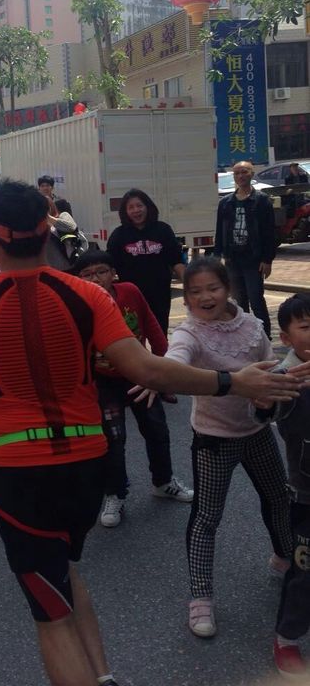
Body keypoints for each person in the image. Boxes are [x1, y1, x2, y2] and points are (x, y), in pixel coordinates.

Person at [0, 180, 305, 686]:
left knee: (49, 615)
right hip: (87, 468)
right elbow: (149, 370)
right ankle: (102, 676)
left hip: (21, 476)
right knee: (66, 572)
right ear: (48, 228)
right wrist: (233, 380)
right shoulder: (87, 295)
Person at [161, 256, 294, 639]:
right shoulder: (189, 333)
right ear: (185, 298)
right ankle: (200, 597)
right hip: (213, 440)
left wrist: (276, 392)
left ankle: (286, 558)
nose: (205, 297)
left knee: (278, 497)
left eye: (213, 288)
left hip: (256, 433)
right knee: (207, 518)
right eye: (195, 291)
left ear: (229, 288)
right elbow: (175, 361)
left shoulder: (252, 326)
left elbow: (271, 369)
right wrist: (160, 374)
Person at [73, 250, 192, 528]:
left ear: (113, 273)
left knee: (157, 429)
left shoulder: (130, 292)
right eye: (87, 275)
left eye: (101, 271)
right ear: (78, 279)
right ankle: (115, 493)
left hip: (139, 373)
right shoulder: (77, 303)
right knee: (113, 440)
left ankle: (163, 481)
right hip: (102, 381)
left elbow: (151, 326)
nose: (96, 279)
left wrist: (165, 371)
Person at [254, 294, 310, 679]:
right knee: (305, 571)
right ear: (287, 338)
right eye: (306, 327)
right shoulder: (286, 376)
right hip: (306, 492)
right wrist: (261, 394)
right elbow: (262, 409)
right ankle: (287, 638)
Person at [106, 188, 185, 335]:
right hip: (131, 296)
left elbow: (176, 260)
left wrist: (189, 286)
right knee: (135, 336)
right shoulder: (119, 234)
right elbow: (109, 265)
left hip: (160, 292)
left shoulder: (163, 230)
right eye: (131, 207)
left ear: (148, 207)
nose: (136, 210)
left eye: (139, 205)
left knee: (160, 334)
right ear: (125, 211)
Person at [214, 161, 276, 338]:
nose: (240, 176)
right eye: (237, 173)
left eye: (244, 172)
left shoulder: (261, 201)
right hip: (233, 260)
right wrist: (217, 257)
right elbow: (220, 231)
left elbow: (269, 232)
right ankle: (245, 337)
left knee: (256, 300)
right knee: (240, 303)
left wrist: (267, 259)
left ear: (251, 174)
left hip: (254, 260)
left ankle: (265, 337)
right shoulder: (226, 203)